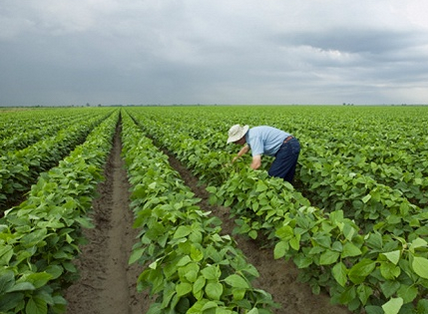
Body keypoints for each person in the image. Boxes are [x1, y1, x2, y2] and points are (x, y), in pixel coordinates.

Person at [227, 124, 300, 183]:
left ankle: (278, 198)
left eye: (235, 141)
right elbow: (245, 148)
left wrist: (244, 177)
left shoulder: (253, 137)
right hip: (291, 144)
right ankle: (287, 197)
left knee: (273, 179)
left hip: (288, 147)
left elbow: (257, 164)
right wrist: (234, 159)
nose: (235, 144)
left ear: (241, 137)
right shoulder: (251, 133)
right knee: (286, 177)